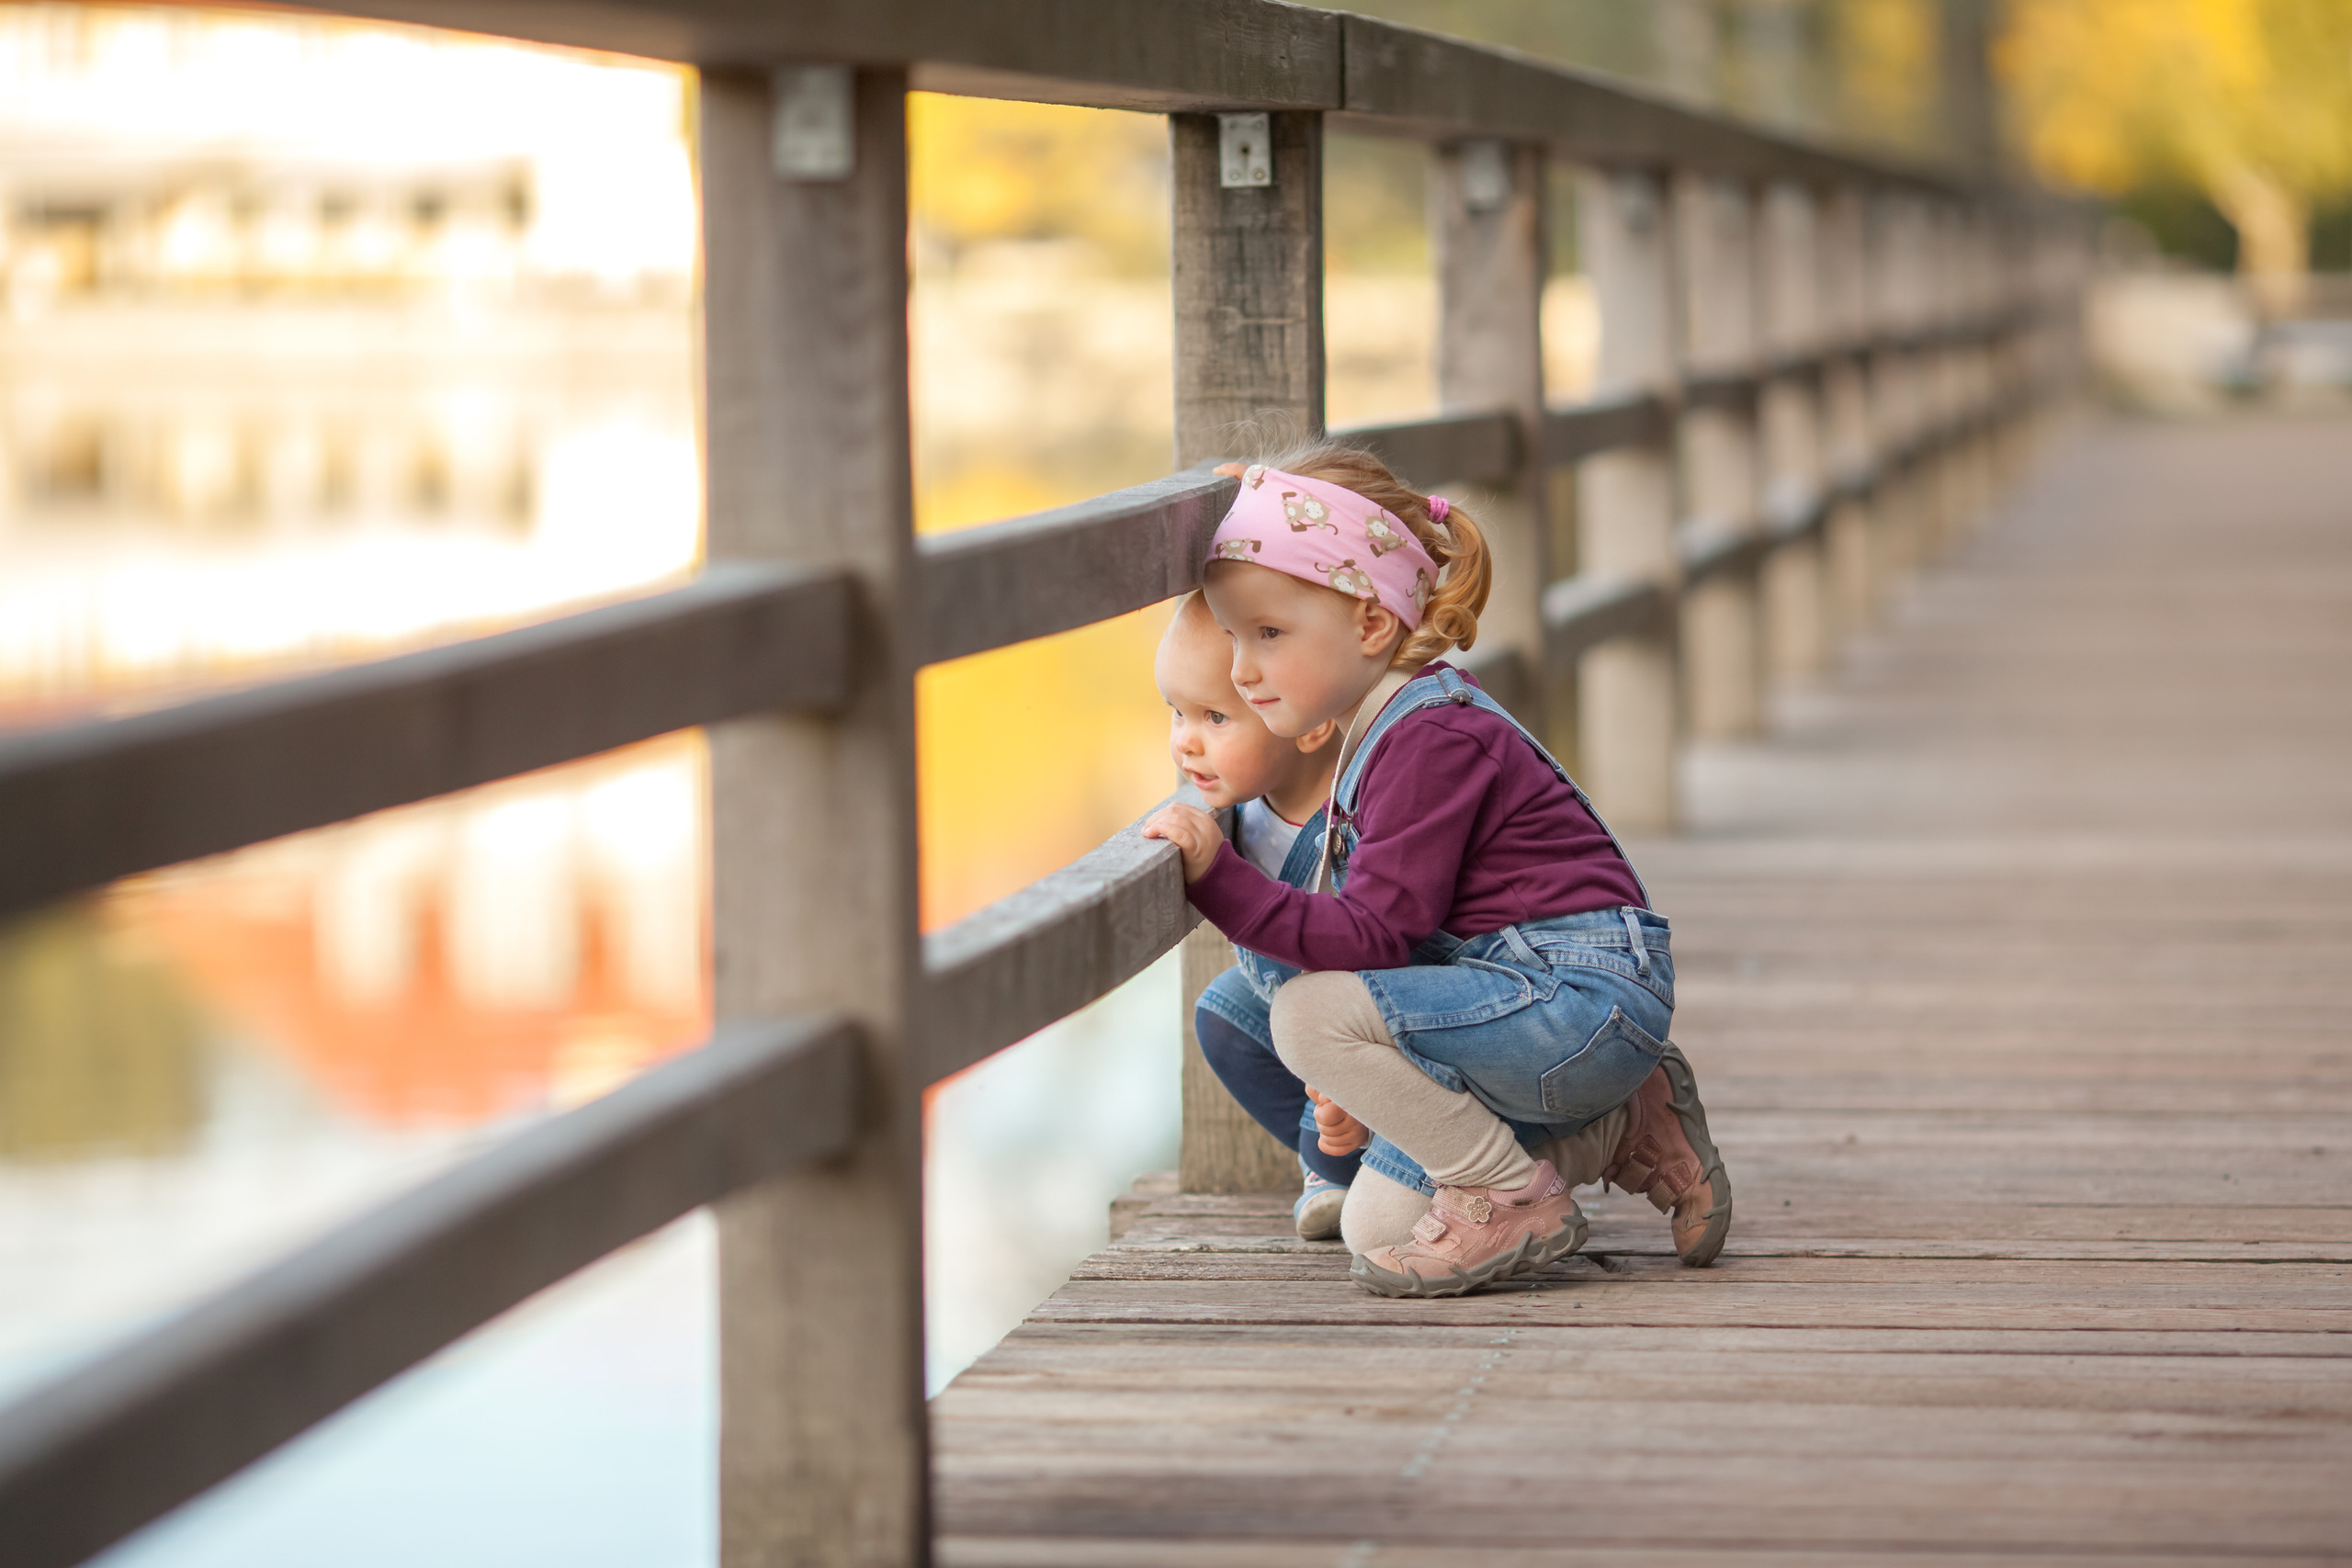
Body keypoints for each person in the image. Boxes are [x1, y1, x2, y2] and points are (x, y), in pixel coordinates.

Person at [1146, 444, 1732, 1297]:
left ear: (1370, 625)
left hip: (1576, 999)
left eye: (1267, 634)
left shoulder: (1431, 739)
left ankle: (1515, 1187)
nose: (1241, 669)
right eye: (1235, 636)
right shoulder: (1382, 718)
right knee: (1249, 1017)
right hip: (1515, 993)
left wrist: (1215, 874)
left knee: (1309, 1016)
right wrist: (1242, 505)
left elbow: (1375, 938)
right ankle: (1619, 1124)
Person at [1155, 591, 1355, 1238]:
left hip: (1391, 1016)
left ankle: (1356, 1161)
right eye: (1176, 711)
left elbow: (1386, 957)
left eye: (1215, 717)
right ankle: (1342, 1159)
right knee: (1223, 1014)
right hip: (1307, 1021)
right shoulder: (1244, 805)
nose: (1185, 743)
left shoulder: (1360, 819)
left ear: (1310, 723)